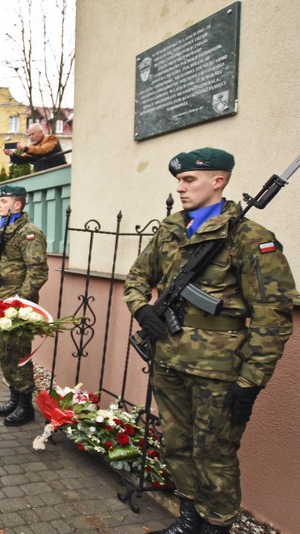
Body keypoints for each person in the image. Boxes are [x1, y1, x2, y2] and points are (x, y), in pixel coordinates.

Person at [124, 148, 297, 534]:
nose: (180, 188)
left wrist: (251, 381)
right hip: (169, 359)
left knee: (214, 453)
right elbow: (136, 278)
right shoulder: (170, 229)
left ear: (218, 181)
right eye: (179, 181)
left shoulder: (251, 238)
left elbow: (273, 316)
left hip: (218, 372)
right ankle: (189, 516)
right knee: (176, 444)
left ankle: (217, 525)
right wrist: (142, 310)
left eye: (189, 180)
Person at [0, 184, 49, 426]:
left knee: (19, 353)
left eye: (3, 201)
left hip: (19, 304)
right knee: (4, 351)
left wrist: (19, 301)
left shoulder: (29, 232)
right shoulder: (4, 230)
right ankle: (14, 398)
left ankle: (26, 406)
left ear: (17, 204)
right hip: (2, 300)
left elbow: (38, 273)